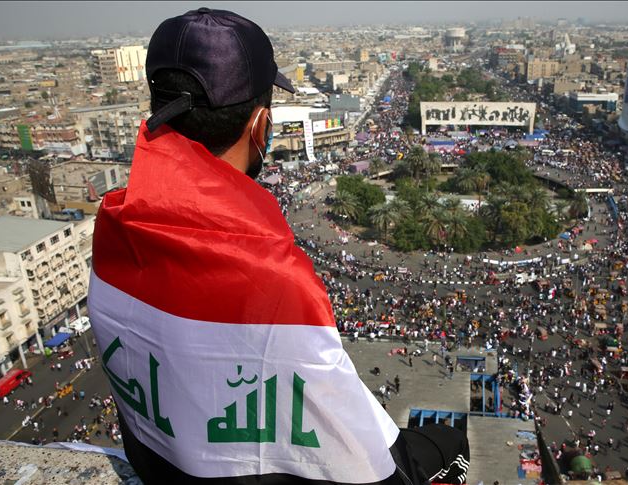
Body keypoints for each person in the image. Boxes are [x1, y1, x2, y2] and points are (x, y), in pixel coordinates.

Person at [87, 8, 468, 485]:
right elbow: (367, 463)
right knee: (450, 445)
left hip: (157, 462)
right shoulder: (272, 276)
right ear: (260, 126)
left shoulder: (115, 225)